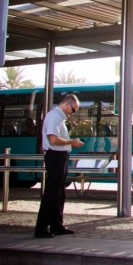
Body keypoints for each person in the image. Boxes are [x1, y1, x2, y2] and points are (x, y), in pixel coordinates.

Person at [34, 94, 84, 238]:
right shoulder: (54, 116)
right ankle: (41, 228)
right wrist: (71, 142)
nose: (72, 113)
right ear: (67, 104)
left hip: (60, 156)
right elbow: (53, 139)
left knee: (59, 193)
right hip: (55, 156)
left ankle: (57, 225)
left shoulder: (59, 117)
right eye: (73, 110)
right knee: (52, 193)